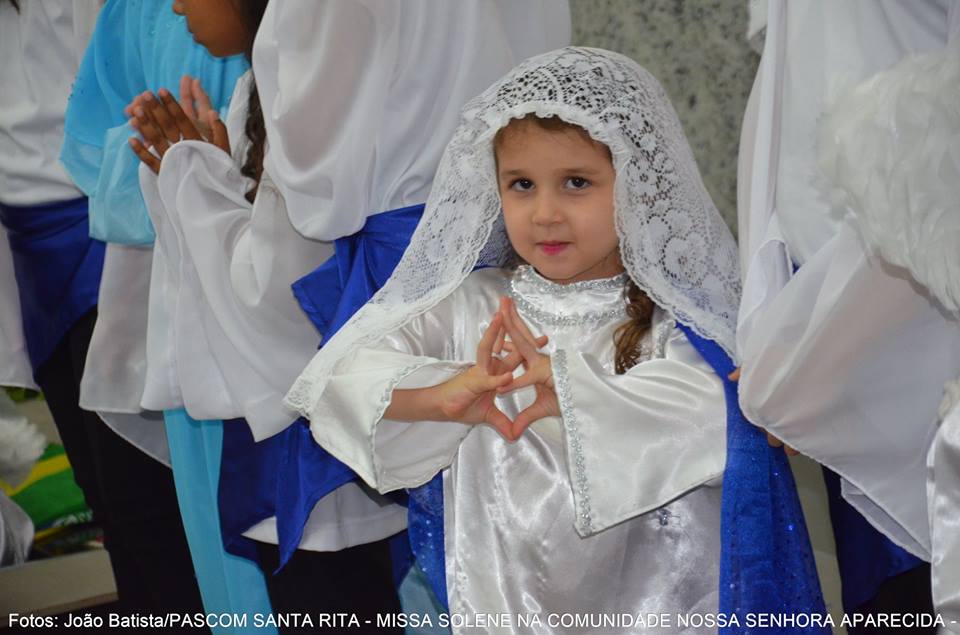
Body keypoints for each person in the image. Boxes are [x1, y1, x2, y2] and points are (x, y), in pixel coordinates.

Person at [284, 47, 827, 631]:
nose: (544, 212)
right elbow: (339, 378)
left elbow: (719, 417)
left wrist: (572, 387)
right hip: (500, 602)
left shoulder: (673, 318)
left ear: (639, 185)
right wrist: (439, 396)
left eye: (576, 183)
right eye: (521, 184)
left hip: (658, 604)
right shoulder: (472, 306)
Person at [130, 2, 571, 627]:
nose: (174, 5)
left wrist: (195, 184)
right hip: (505, 300)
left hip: (369, 318)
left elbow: (287, 268)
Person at [736, 1, 956, 626]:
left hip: (904, 320)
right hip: (829, 308)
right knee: (887, 604)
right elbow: (786, 95)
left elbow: (937, 162)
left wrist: (813, 360)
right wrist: (780, 321)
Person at [60, 0, 262, 625]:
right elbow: (89, 149)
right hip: (171, 298)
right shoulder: (134, 11)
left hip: (273, 305)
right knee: (190, 533)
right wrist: (172, 160)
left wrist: (214, 172)